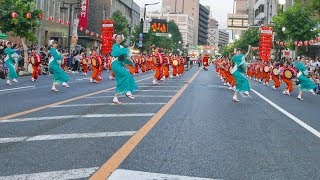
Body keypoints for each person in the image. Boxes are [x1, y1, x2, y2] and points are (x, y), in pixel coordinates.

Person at [111, 34, 137, 104]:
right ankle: (127, 91)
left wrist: (131, 63)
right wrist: (128, 49)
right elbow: (116, 53)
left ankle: (115, 98)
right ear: (115, 39)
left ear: (122, 39)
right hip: (115, 64)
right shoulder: (115, 46)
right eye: (118, 38)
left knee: (120, 81)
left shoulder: (121, 47)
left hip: (120, 64)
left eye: (120, 38)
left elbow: (124, 58)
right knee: (127, 74)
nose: (119, 39)